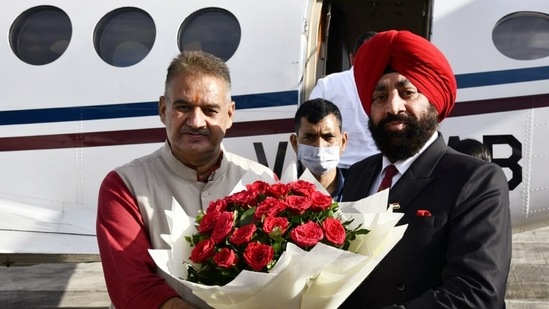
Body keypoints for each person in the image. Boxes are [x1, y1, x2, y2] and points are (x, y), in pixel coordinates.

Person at [340, 30, 511, 308]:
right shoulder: (360, 173)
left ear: (433, 100)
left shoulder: (475, 179)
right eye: (379, 97)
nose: (393, 107)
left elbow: (477, 292)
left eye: (408, 93)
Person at [96, 51, 275, 309]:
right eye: (183, 107)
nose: (196, 121)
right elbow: (134, 287)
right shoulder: (125, 186)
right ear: (162, 109)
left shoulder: (262, 181)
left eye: (210, 110)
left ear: (230, 115)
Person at [309, 31, 379, 173]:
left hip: (336, 167)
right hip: (375, 168)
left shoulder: (328, 84)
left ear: (352, 58)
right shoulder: (390, 87)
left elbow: (310, 122)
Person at [290, 98, 348, 201]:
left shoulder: (361, 190)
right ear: (295, 144)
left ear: (343, 142)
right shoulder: (282, 196)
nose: (319, 146)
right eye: (309, 137)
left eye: (328, 136)